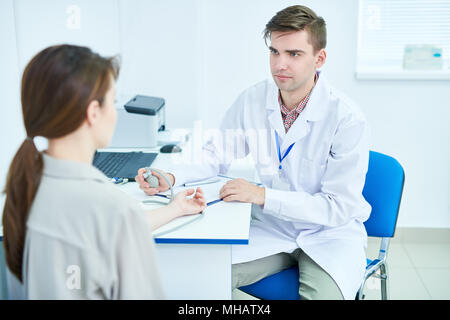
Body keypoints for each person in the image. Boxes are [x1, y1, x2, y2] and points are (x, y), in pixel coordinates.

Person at [135, 5, 371, 300]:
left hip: (329, 235)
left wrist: (263, 196)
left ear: (319, 58)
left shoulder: (346, 118)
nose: (280, 64)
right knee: (195, 280)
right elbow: (214, 154)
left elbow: (338, 207)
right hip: (273, 229)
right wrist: (172, 175)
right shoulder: (253, 100)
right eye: (274, 52)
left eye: (293, 54)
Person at [1, 44, 207, 299]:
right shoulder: (113, 210)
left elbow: (102, 230)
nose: (115, 113)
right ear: (93, 113)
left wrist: (175, 209)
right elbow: (113, 224)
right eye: (113, 101)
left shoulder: (25, 187)